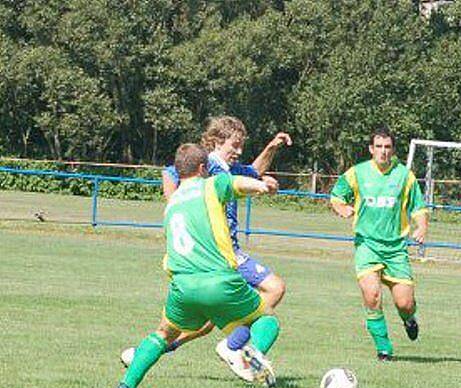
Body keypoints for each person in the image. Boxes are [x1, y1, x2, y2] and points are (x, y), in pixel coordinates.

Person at [121, 116, 291, 371]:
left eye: (241, 145)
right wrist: (175, 204)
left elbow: (256, 172)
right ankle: (235, 348)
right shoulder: (208, 164)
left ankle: (144, 353)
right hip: (217, 251)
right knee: (274, 288)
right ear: (216, 141)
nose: (239, 151)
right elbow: (169, 172)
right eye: (235, 145)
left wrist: (272, 148)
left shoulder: (229, 169)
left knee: (204, 324)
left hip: (223, 252)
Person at [329, 126, 429, 360]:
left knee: (404, 303)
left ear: (393, 150)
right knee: (372, 295)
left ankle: (409, 318)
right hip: (367, 245)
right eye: (379, 147)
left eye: (387, 147)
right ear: (371, 149)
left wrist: (422, 227)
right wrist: (342, 207)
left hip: (396, 249)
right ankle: (384, 349)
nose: (383, 152)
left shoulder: (405, 176)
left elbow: (418, 207)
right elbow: (336, 196)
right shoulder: (357, 173)